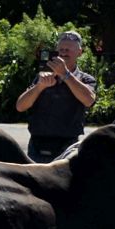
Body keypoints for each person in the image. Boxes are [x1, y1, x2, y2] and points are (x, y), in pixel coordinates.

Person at [15, 29, 98, 163]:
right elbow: (20, 106)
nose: (63, 53)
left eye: (68, 50)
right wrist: (40, 86)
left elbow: (89, 100)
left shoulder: (85, 79)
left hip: (68, 145)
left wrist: (65, 74)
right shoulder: (43, 76)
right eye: (61, 49)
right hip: (37, 144)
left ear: (79, 52)